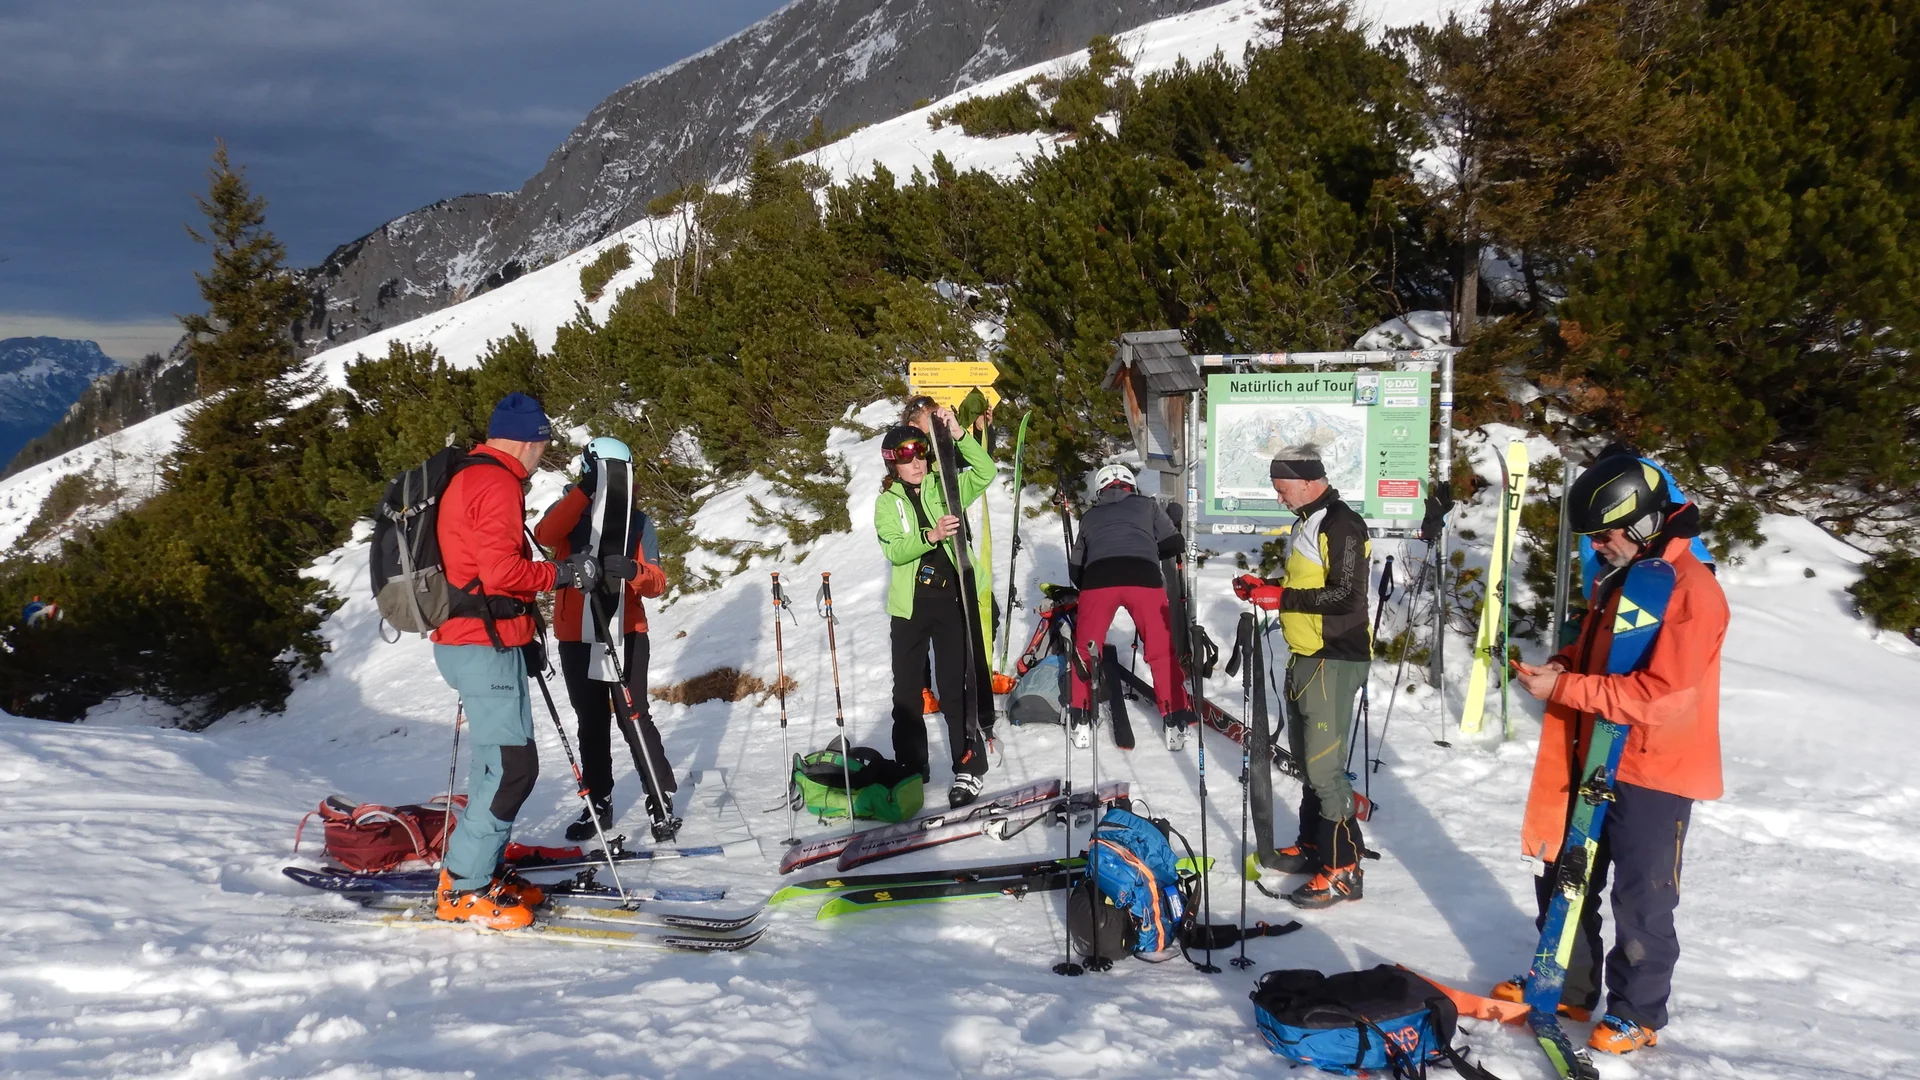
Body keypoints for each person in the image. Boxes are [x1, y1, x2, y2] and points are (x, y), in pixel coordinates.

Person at [1501, 451, 1728, 1057]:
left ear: (1645, 522)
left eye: (1606, 534)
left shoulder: (1691, 591)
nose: (1598, 547)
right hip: (1599, 751)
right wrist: (1564, 666)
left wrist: (1567, 689)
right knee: (1567, 874)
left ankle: (1638, 1012)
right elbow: (1604, 656)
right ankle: (1567, 986)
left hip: (1656, 768)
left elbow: (1662, 696)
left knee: (1643, 895)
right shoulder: (1631, 576)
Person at [430, 392, 608, 930]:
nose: (541, 456)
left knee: (495, 766)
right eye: (543, 444)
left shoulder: (470, 475)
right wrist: (564, 575)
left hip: (478, 639)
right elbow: (502, 571)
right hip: (481, 644)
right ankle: (464, 888)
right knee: (513, 769)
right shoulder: (495, 481)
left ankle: (475, 871)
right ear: (529, 439)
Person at [1231, 444, 1373, 909]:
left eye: (1282, 488)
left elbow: (1348, 598)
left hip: (1334, 656)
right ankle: (1316, 847)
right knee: (1311, 763)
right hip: (1307, 656)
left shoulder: (1341, 524)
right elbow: (1308, 585)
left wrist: (1282, 598)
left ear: (1310, 481)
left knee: (1325, 770)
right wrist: (1265, 587)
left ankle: (1344, 870)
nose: (1279, 497)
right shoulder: (1307, 522)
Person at [532, 437, 676, 843]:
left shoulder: (639, 522)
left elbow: (658, 582)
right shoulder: (568, 511)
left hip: (626, 633)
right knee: (590, 721)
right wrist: (583, 490)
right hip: (576, 636)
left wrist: (634, 571)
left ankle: (659, 797)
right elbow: (545, 534)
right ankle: (599, 799)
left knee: (634, 716)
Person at [874, 411, 996, 808]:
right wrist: (931, 535)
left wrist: (959, 434)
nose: (917, 464)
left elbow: (985, 472)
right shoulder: (886, 504)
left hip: (951, 600)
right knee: (906, 691)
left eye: (922, 456)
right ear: (893, 462)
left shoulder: (944, 486)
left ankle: (968, 765)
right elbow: (894, 549)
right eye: (908, 459)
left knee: (953, 688)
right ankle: (912, 767)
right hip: (909, 608)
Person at [1065, 462, 1197, 748]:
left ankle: (1081, 719)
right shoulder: (1147, 506)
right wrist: (1148, 545)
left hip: (1098, 581)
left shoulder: (1089, 517)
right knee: (1161, 652)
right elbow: (1174, 543)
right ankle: (1174, 720)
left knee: (1086, 652)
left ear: (1099, 490)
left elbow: (1075, 570)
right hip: (1144, 578)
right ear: (1131, 486)